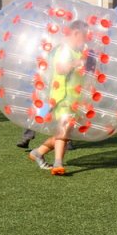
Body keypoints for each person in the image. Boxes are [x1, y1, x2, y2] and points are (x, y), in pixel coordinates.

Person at [28, 20, 89, 176]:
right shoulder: (64, 50)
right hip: (62, 97)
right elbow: (61, 69)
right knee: (64, 129)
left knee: (65, 133)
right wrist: (77, 63)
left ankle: (38, 152)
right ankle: (58, 163)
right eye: (84, 35)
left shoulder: (78, 51)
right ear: (76, 33)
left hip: (74, 99)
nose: (86, 39)